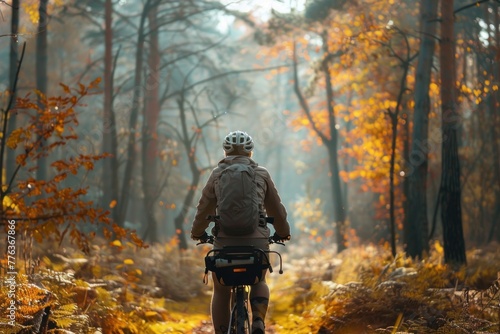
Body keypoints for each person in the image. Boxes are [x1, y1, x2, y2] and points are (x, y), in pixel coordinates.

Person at [191, 130, 291, 334]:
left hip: (224, 243)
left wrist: (198, 232)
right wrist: (282, 232)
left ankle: (221, 331)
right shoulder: (261, 173)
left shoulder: (217, 174)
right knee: (259, 280)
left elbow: (204, 208)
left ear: (225, 152)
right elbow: (276, 209)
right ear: (250, 152)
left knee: (220, 289)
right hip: (256, 243)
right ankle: (258, 322)